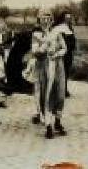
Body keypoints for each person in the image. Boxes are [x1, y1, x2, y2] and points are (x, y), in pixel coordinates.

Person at [31, 9, 68, 139]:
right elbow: (34, 51)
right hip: (43, 67)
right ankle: (48, 126)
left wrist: (57, 54)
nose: (46, 20)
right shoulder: (36, 34)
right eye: (43, 18)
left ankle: (58, 121)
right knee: (46, 95)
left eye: (48, 18)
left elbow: (64, 48)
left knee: (60, 94)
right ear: (39, 20)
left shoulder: (57, 33)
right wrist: (44, 47)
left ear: (51, 20)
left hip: (58, 66)